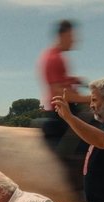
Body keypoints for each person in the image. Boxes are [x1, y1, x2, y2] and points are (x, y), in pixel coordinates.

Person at [37, 20, 93, 157]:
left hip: (65, 108)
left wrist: (76, 80)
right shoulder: (54, 58)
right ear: (63, 35)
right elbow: (60, 93)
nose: (74, 40)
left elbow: (61, 82)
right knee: (88, 140)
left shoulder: (54, 55)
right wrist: (90, 99)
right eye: (72, 36)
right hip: (62, 112)